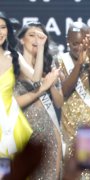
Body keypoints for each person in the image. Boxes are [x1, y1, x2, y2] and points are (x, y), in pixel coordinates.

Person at [57, 22, 90, 178]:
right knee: (72, 172)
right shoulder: (60, 61)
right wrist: (79, 63)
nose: (78, 47)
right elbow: (64, 91)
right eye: (74, 43)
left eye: (82, 43)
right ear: (67, 41)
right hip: (69, 127)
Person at [14, 22, 63, 179]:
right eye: (31, 35)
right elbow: (33, 81)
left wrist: (52, 84)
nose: (36, 39)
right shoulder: (14, 62)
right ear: (21, 39)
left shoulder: (50, 64)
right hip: (22, 132)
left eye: (40, 36)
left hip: (48, 132)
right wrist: (43, 85)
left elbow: (59, 103)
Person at [0, 12, 33, 158]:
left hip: (10, 121)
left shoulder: (13, 56)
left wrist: (42, 45)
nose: (0, 32)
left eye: (3, 27)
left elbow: (35, 76)